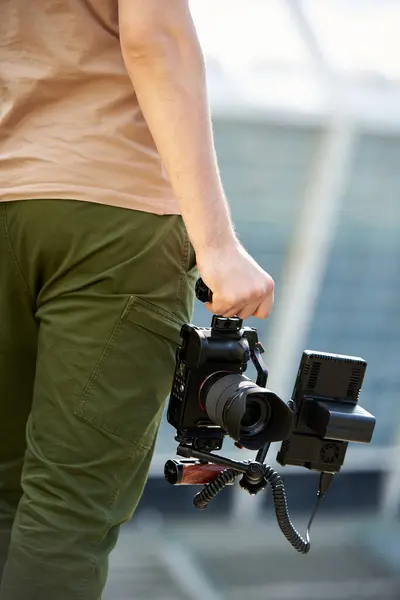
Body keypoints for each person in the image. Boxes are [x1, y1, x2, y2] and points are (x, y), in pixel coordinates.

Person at [0, 1, 275, 598]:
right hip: (111, 217)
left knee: (6, 495)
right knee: (69, 513)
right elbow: (155, 38)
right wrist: (217, 245)